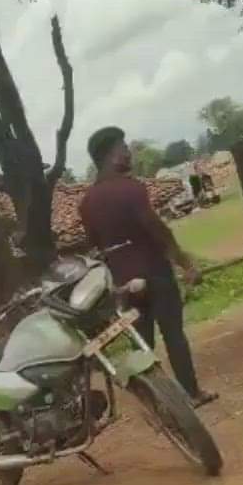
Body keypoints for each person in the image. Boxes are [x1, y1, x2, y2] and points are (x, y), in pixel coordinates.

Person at [80, 127, 216, 408]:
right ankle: (191, 394)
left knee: (142, 344)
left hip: (124, 283)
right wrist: (185, 263)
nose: (128, 153)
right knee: (174, 336)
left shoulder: (87, 203)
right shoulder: (131, 188)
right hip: (155, 273)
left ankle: (159, 401)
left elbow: (95, 246)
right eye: (124, 148)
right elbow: (156, 229)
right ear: (111, 155)